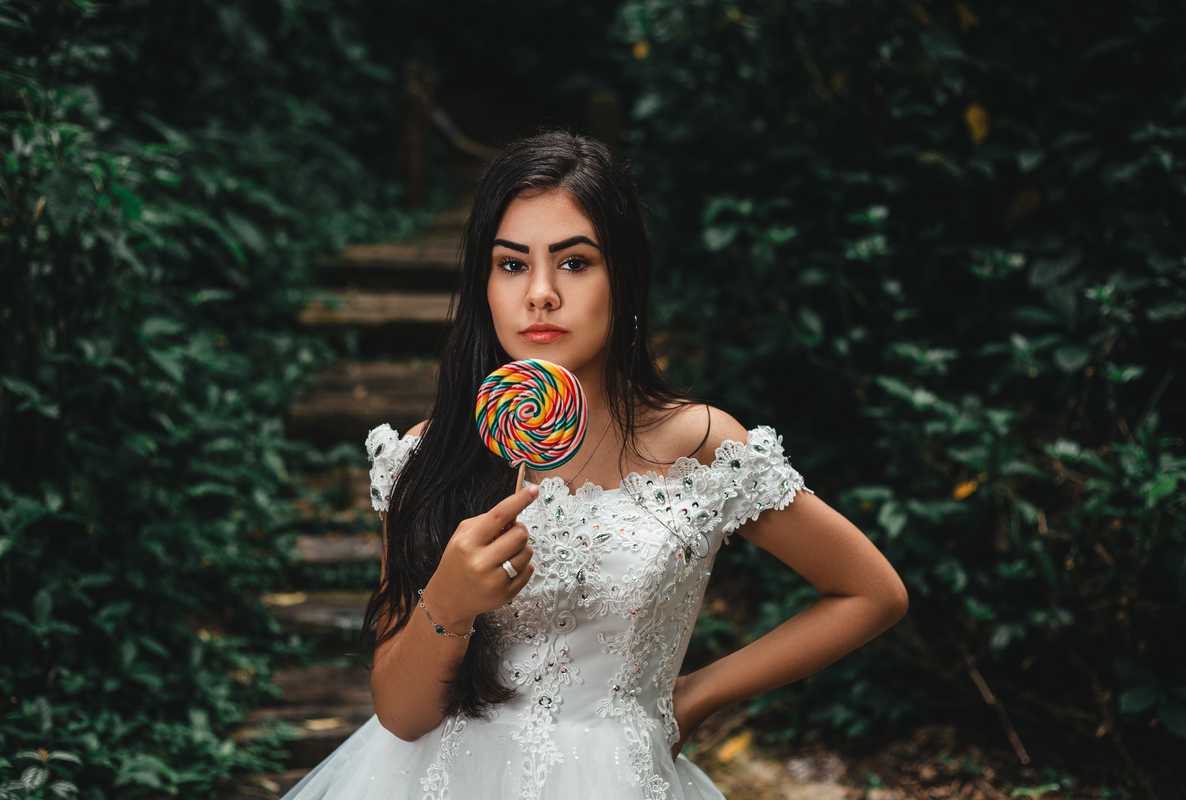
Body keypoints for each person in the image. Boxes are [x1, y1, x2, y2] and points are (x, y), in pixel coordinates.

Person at [282, 131, 908, 800]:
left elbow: (871, 593)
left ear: (625, 278)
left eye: (575, 263)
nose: (542, 293)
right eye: (512, 264)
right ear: (483, 285)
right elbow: (402, 716)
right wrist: (449, 603)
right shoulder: (428, 457)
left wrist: (692, 698)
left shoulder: (697, 442)